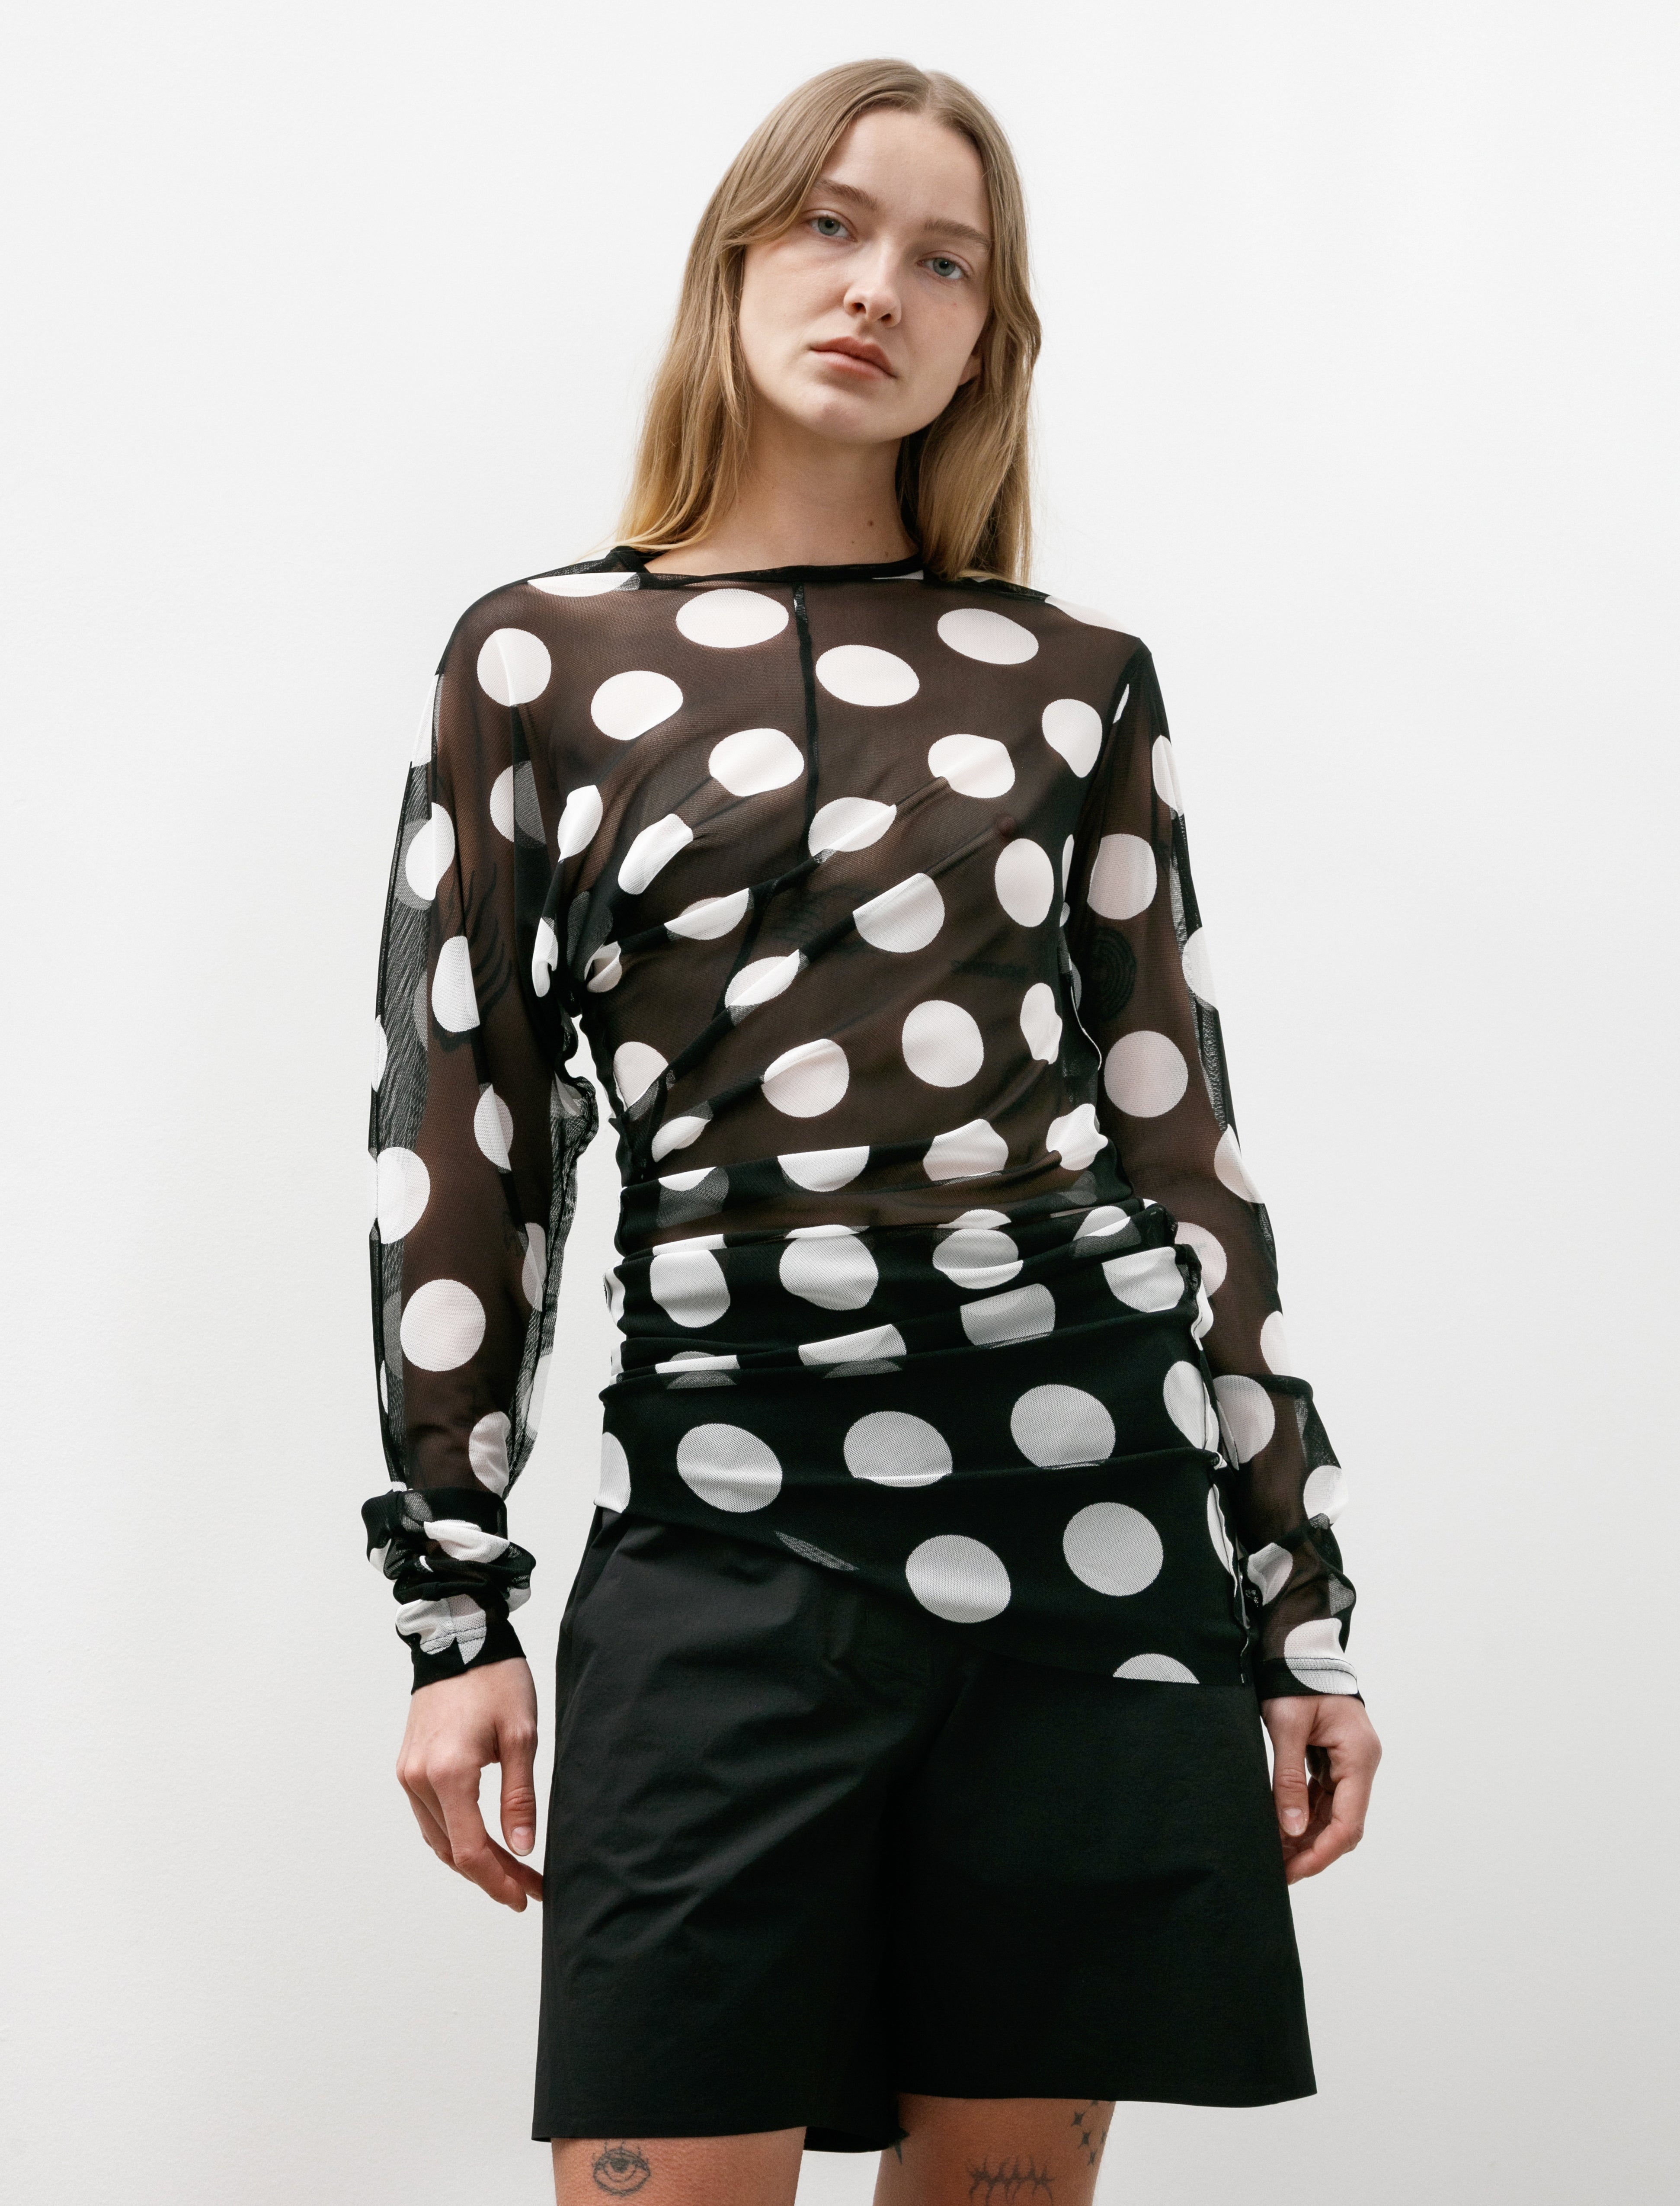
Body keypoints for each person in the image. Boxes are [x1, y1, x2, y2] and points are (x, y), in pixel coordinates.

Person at [362, 56, 1382, 2206]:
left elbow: (1179, 1143)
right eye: (830, 225)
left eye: (944, 261)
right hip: (727, 1516)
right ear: (734, 257)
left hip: (1090, 1511)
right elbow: (467, 1141)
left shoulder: (1075, 679)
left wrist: (1297, 1608)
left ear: (989, 337)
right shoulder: (538, 662)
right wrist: (457, 1610)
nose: (875, 290)